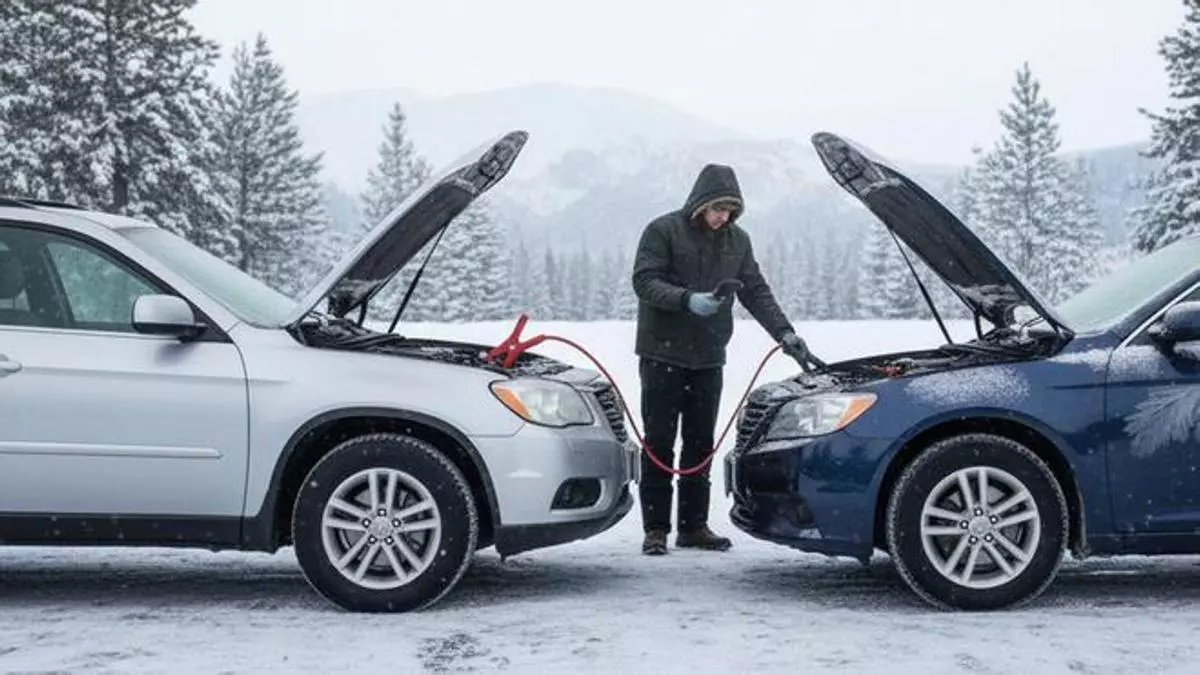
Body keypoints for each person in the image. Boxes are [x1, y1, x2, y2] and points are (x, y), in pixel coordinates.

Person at [630, 162, 818, 556]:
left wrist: (785, 333)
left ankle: (693, 526)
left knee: (701, 443)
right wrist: (686, 300)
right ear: (700, 203)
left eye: (730, 211)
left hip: (708, 357)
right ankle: (656, 529)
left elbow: (756, 291)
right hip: (661, 353)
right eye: (718, 209)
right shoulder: (662, 230)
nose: (723, 217)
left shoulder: (738, 241)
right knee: (660, 442)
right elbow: (644, 281)